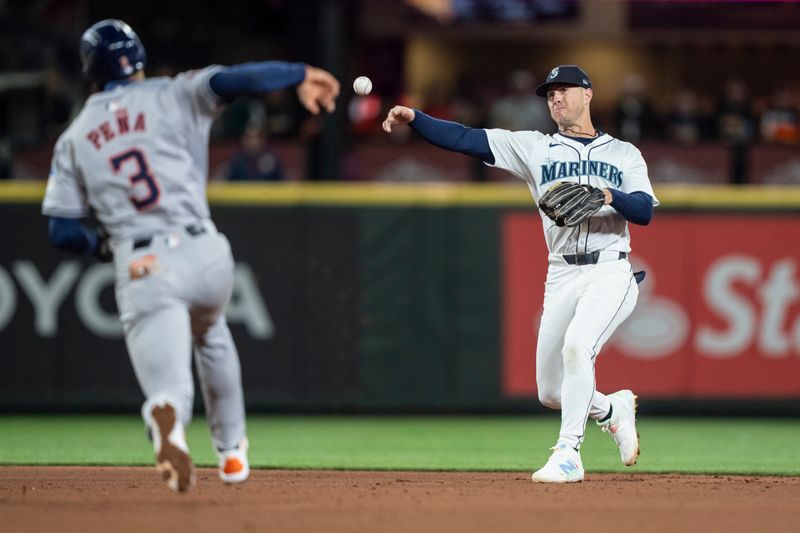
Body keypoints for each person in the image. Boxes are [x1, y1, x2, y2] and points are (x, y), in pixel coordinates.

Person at [41, 19, 339, 492]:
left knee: (170, 387)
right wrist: (298, 72)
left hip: (143, 264)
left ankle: (167, 415)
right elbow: (239, 80)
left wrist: (102, 246)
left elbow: (63, 231)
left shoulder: (74, 138)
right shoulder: (174, 92)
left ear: (89, 72)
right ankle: (233, 454)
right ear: (137, 59)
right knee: (213, 332)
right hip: (204, 250)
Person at [383, 65, 658, 483]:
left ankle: (569, 453)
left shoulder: (623, 153)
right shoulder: (535, 148)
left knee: (577, 346)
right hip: (562, 274)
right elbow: (464, 138)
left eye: (564, 90)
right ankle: (610, 409)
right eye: (550, 95)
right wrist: (416, 118)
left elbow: (642, 212)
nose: (556, 99)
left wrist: (607, 194)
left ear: (588, 94)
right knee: (551, 392)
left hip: (610, 270)